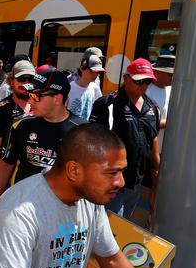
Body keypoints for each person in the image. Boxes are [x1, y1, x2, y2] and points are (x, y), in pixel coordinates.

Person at [0, 124, 153, 268]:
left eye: (122, 171)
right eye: (111, 172)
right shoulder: (18, 212)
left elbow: (112, 259)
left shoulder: (91, 200)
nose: (120, 182)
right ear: (74, 170)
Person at [0, 69, 86, 214]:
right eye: (30, 95)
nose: (30, 100)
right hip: (21, 208)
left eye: (36, 96)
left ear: (57, 99)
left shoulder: (83, 132)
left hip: (62, 212)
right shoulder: (21, 125)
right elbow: (5, 165)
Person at [90, 58, 160, 218]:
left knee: (123, 224)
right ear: (125, 78)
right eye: (139, 81)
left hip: (136, 181)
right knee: (113, 223)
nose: (143, 85)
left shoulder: (153, 108)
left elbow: (153, 140)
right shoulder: (106, 105)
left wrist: (157, 174)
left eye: (147, 81)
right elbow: (92, 142)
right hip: (111, 180)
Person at [0, 60, 34, 184]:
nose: (27, 83)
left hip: (34, 177)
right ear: (12, 81)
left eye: (31, 79)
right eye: (22, 79)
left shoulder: (41, 105)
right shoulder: (1, 110)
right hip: (9, 176)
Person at [146, 54, 175, 153]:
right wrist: (171, 122)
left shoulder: (172, 89)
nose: (173, 77)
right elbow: (144, 122)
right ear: (156, 72)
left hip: (164, 149)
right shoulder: (146, 92)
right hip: (149, 150)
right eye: (170, 74)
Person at [66, 54, 104, 120]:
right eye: (92, 71)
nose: (96, 74)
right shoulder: (69, 88)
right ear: (82, 68)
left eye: (98, 72)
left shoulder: (95, 88)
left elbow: (98, 108)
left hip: (86, 128)